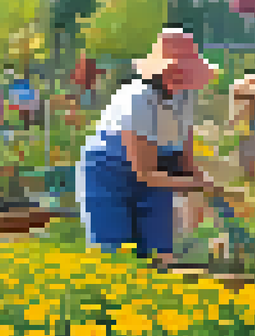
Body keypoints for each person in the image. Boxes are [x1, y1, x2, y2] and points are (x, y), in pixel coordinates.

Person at [77, 28, 217, 263]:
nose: (179, 76)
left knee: (159, 252)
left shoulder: (185, 97)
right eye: (173, 69)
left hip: (157, 172)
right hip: (108, 172)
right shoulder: (138, 98)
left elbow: (185, 156)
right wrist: (198, 185)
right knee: (115, 255)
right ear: (159, 70)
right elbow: (143, 173)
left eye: (184, 70)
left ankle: (160, 295)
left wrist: (203, 183)